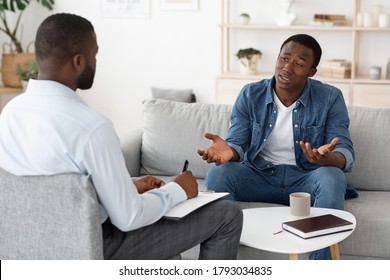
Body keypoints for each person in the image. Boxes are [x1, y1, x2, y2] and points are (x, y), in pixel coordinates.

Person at [0, 13, 243, 260]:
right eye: (94, 55)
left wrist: (126, 188)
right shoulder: (92, 127)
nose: (96, 62)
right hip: (92, 248)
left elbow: (51, 192)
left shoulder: (10, 113)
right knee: (226, 214)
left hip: (32, 249)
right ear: (78, 61)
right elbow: (129, 218)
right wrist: (177, 189)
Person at [198, 34, 354, 260]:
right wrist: (230, 152)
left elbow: (345, 152)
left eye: (299, 64)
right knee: (219, 173)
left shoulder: (330, 97)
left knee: (332, 177)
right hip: (259, 176)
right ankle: (219, 265)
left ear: (311, 72)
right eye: (284, 58)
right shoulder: (251, 94)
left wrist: (327, 159)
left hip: (306, 178)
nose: (287, 68)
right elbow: (238, 142)